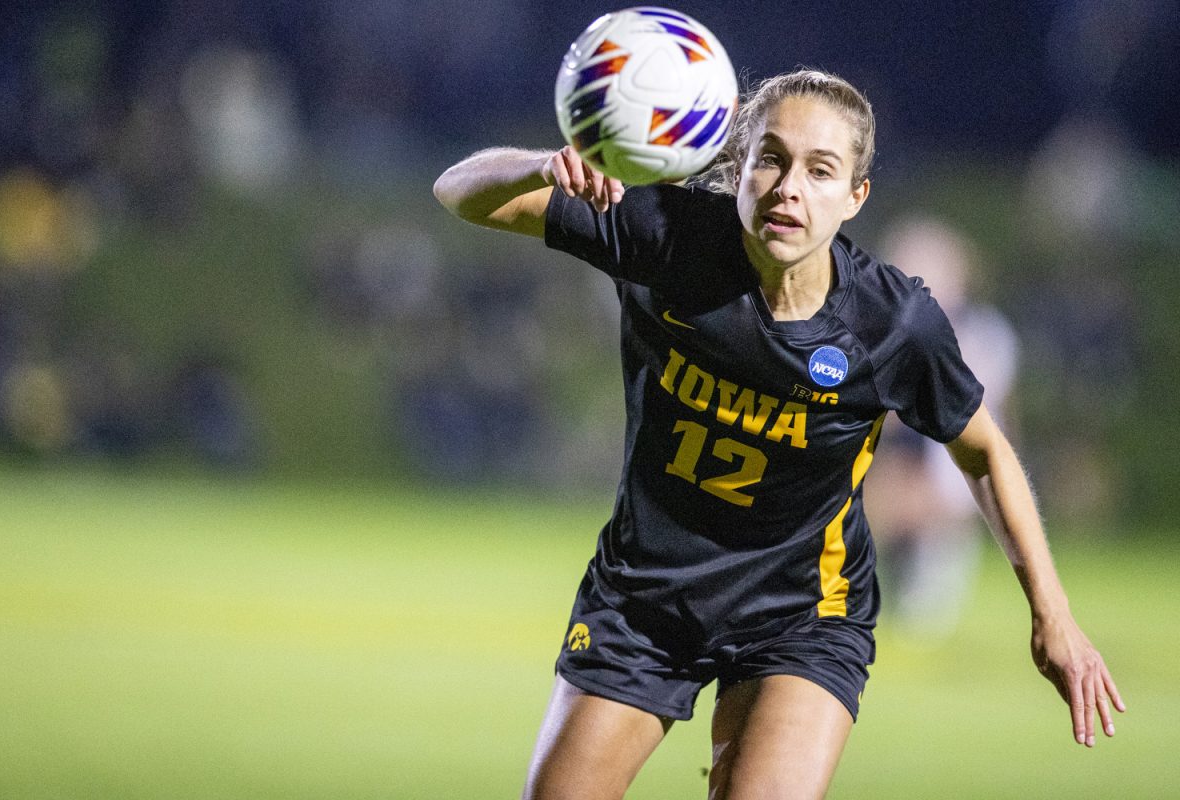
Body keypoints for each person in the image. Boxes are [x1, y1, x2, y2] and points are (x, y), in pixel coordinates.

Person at [433, 69, 1123, 800]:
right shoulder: (664, 234)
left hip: (801, 615)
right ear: (737, 168)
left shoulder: (891, 325)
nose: (789, 186)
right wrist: (540, 166)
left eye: (821, 170)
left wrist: (1054, 616)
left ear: (856, 196)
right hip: (644, 600)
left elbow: (983, 451)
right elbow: (458, 189)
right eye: (770, 158)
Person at [865, 215, 1021, 638]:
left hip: (951, 453)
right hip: (908, 448)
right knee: (873, 494)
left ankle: (932, 577)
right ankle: (882, 582)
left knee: (912, 500)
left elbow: (977, 412)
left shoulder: (982, 333)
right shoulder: (884, 325)